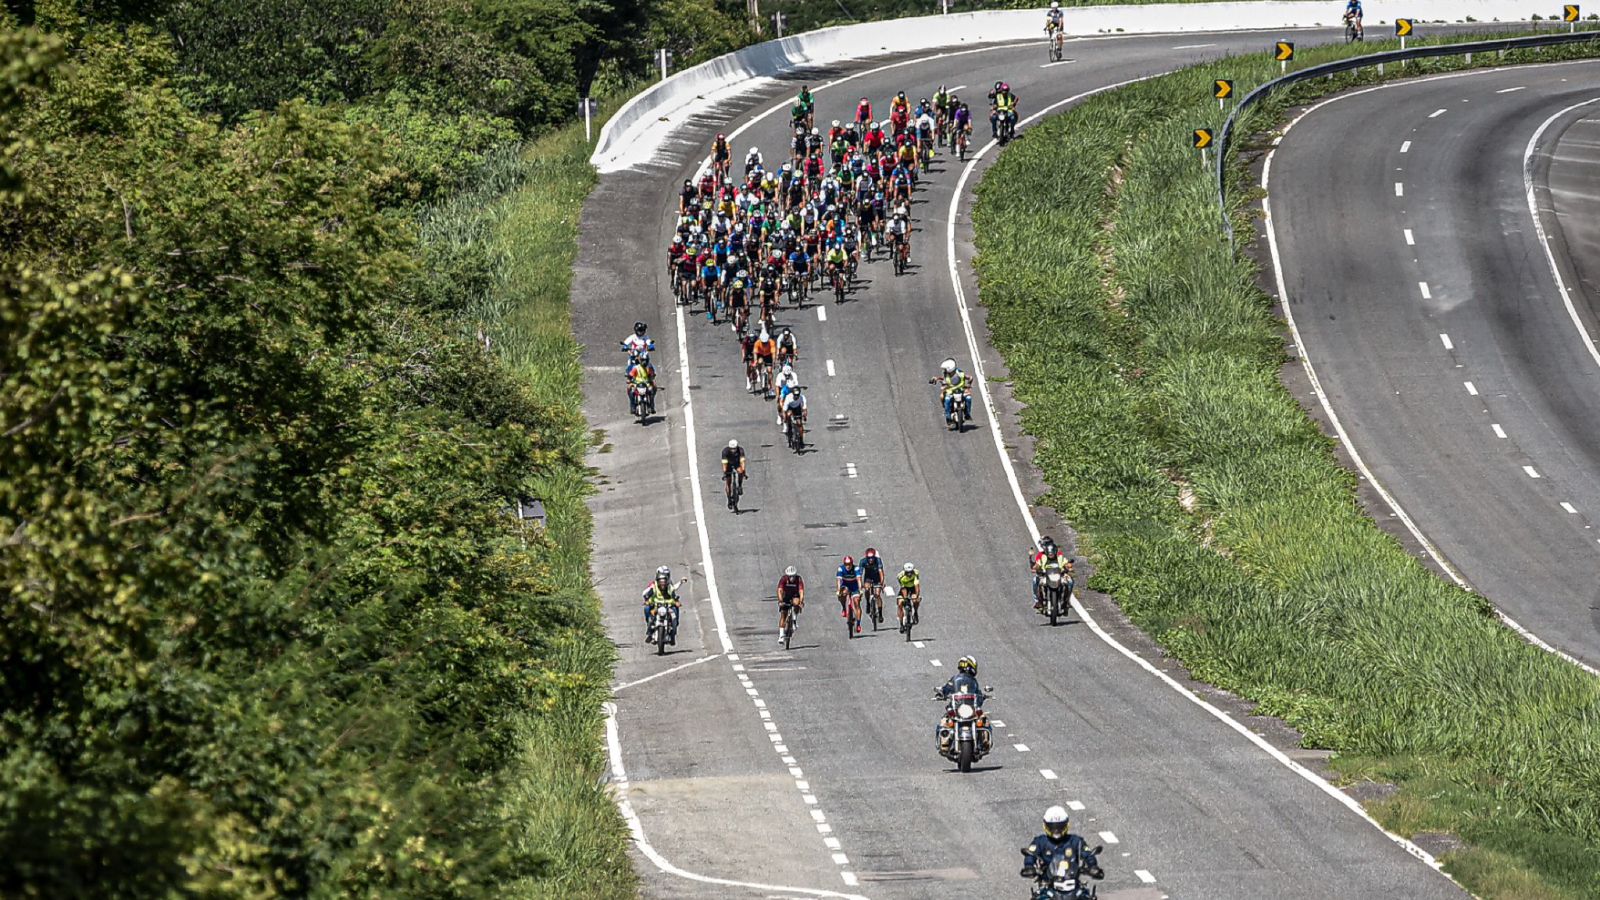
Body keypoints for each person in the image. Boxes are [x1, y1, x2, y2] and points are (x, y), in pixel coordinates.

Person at [1020, 807, 1104, 892]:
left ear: (1066, 825)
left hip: (1073, 885)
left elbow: (1087, 854)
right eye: (1052, 827)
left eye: (1059, 827)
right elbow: (1030, 854)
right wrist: (1029, 867)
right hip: (1047, 885)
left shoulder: (1075, 841)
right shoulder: (1040, 842)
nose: (1056, 831)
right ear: (1045, 826)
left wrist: (1093, 866)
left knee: (1086, 896)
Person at [642, 566, 682, 645]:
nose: (662, 583)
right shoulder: (654, 586)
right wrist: (647, 600)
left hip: (668, 606)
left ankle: (673, 634)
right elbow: (647, 594)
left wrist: (676, 601)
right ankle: (649, 632)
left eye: (664, 580)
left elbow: (673, 594)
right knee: (649, 615)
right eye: (661, 581)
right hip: (656, 606)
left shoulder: (669, 586)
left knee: (674, 616)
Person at [934, 357, 972, 424]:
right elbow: (943, 379)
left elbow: (970, 378)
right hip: (950, 392)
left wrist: (968, 387)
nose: (944, 370)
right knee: (947, 400)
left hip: (961, 391)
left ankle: (967, 414)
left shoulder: (960, 373)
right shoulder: (946, 374)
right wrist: (936, 379)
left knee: (968, 398)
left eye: (945, 369)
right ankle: (948, 417)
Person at [777, 565, 806, 642]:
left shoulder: (798, 579)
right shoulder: (783, 579)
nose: (792, 578)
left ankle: (794, 620)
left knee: (796, 602)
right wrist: (780, 601)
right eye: (790, 576)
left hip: (795, 595)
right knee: (783, 615)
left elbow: (801, 591)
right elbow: (780, 590)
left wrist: (801, 601)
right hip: (786, 596)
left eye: (793, 576)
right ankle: (781, 635)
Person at [836, 554, 862, 629]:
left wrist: (860, 589)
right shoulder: (841, 569)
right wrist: (838, 590)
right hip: (845, 585)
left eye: (849, 564)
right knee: (843, 593)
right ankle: (844, 607)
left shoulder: (856, 568)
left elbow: (859, 579)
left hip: (854, 586)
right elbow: (839, 580)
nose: (848, 566)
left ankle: (858, 624)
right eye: (846, 564)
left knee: (856, 602)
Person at [720, 439, 747, 510]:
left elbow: (742, 461)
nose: (733, 450)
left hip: (736, 463)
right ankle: (729, 499)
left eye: (734, 449)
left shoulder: (740, 450)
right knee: (728, 482)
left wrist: (743, 471)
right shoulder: (725, 451)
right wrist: (725, 473)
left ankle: (740, 486)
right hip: (728, 464)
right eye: (732, 449)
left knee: (741, 472)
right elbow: (724, 464)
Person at [897, 562, 922, 627]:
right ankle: (901, 624)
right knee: (900, 603)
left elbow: (916, 586)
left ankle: (915, 612)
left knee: (915, 600)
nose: (909, 574)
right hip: (905, 588)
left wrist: (917, 596)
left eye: (911, 572)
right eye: (907, 572)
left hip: (912, 588)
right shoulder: (900, 576)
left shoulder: (916, 573)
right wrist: (905, 598)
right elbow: (903, 588)